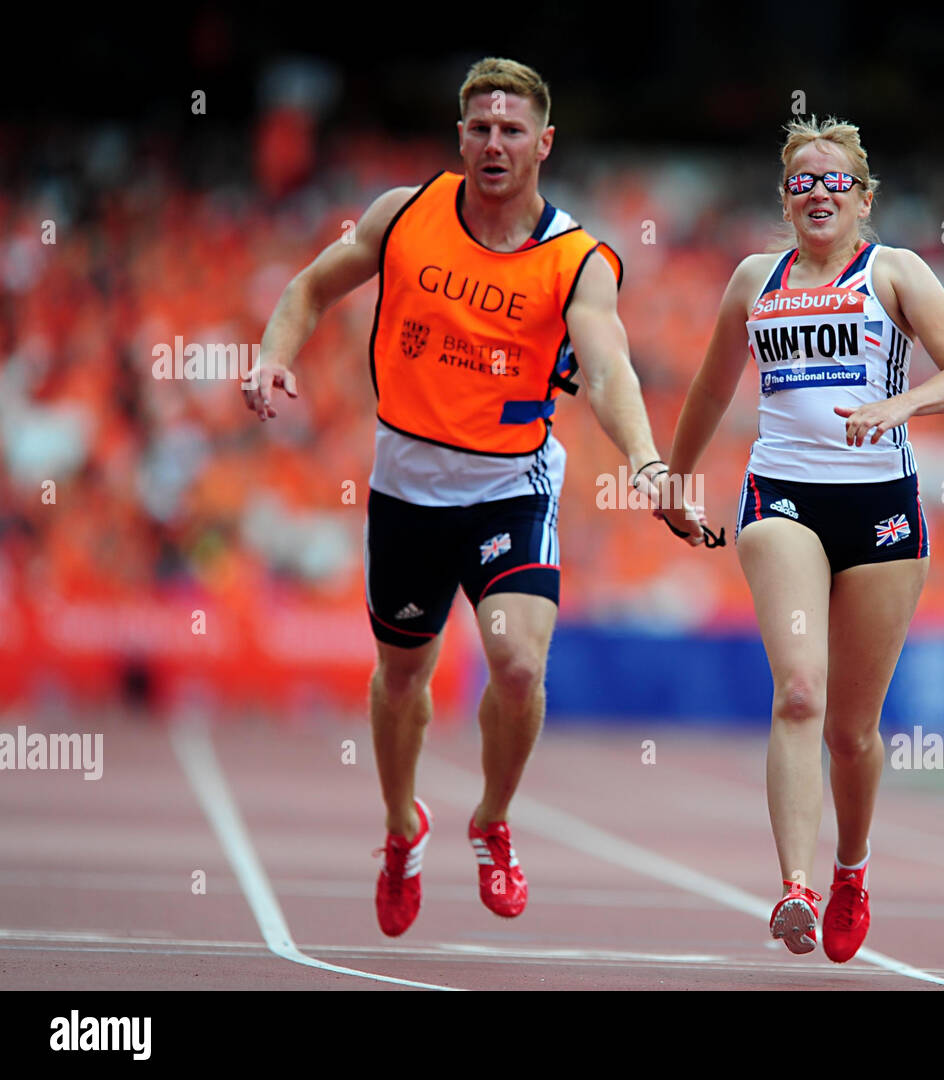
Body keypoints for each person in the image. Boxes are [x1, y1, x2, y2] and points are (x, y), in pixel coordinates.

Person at [243, 57, 680, 936]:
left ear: (543, 144)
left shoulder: (577, 259)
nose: (493, 143)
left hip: (507, 486)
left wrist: (643, 458)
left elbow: (606, 366)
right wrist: (271, 352)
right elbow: (309, 286)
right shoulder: (404, 214)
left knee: (517, 662)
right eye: (480, 127)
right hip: (405, 484)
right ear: (460, 138)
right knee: (402, 674)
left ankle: (491, 821)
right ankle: (403, 826)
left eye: (512, 129)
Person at [659, 117, 944, 962]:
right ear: (784, 198)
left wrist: (897, 406)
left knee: (852, 730)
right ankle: (794, 888)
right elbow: (709, 386)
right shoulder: (752, 279)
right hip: (782, 499)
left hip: (882, 507)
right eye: (801, 181)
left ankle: (851, 867)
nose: (816, 192)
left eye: (833, 181)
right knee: (800, 691)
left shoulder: (895, 273)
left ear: (863, 199)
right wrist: (674, 476)